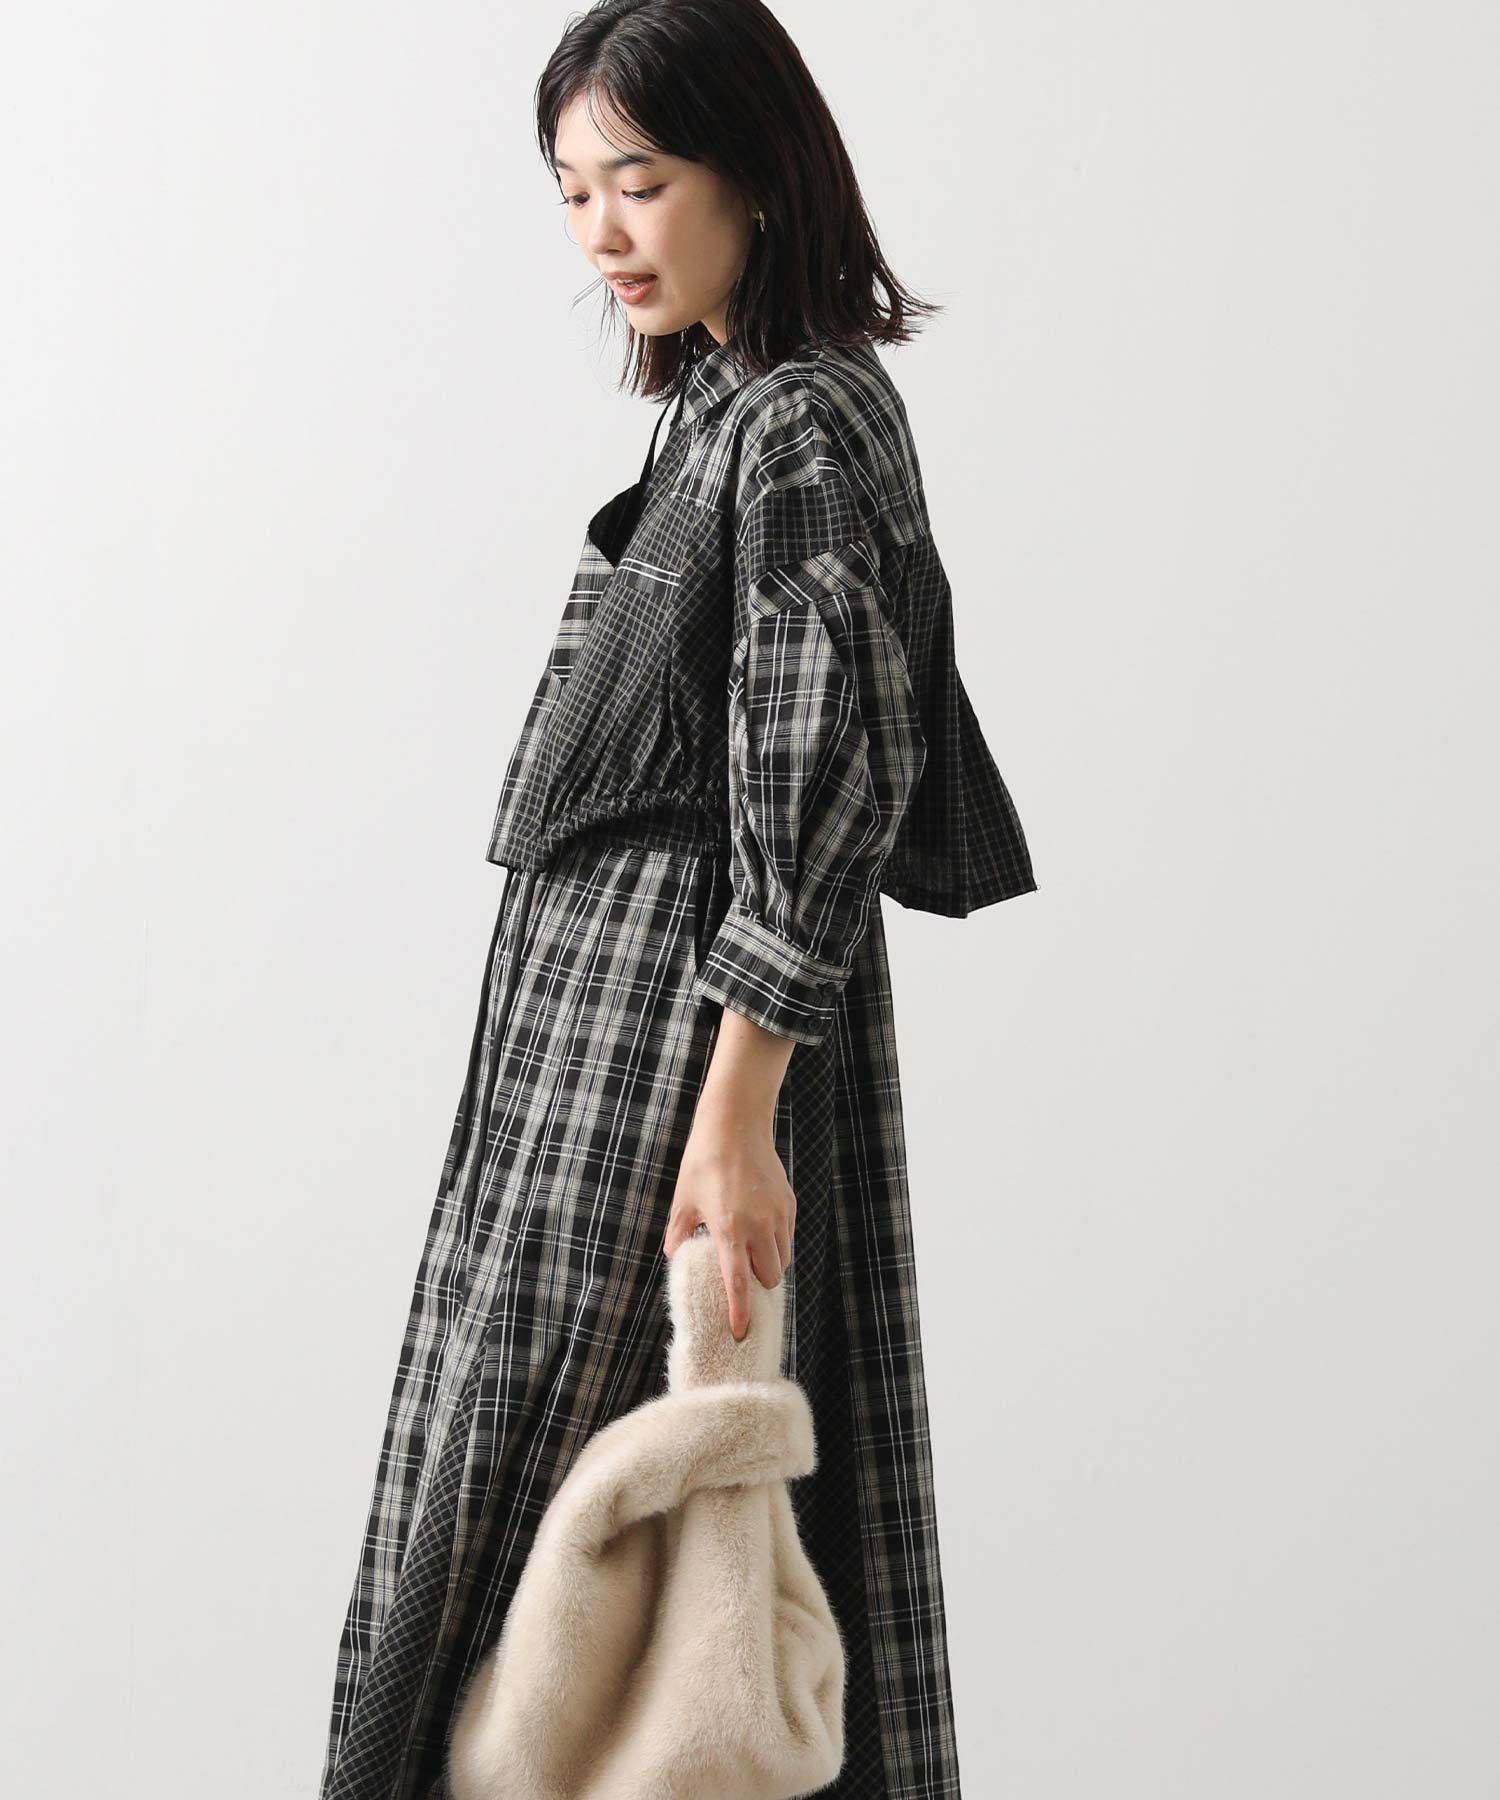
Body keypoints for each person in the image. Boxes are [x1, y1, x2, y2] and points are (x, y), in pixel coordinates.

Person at [318, 3, 1037, 1796]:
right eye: (573, 192)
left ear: (758, 173)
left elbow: (823, 770)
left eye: (639, 181)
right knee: (539, 1522)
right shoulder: (724, 403)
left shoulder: (803, 420)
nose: (602, 234)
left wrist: (735, 1115)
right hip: (594, 1036)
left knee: (519, 1506)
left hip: (665, 1047)